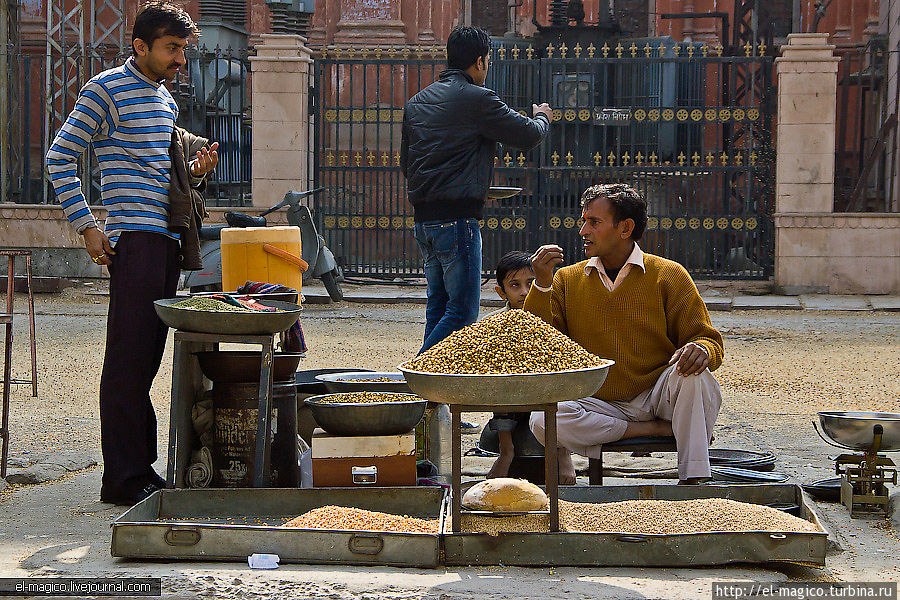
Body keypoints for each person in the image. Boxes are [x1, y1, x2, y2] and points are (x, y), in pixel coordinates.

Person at [46, 1, 218, 505]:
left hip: (164, 240)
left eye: (183, 50)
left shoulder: (163, 98)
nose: (180, 59)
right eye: (171, 49)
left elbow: (158, 173)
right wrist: (87, 226)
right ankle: (122, 479)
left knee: (146, 361)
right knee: (127, 363)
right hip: (134, 242)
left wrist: (196, 170)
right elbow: (61, 156)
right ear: (140, 46)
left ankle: (140, 473)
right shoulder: (106, 90)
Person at [524, 184, 725, 485]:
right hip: (595, 398)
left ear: (625, 228)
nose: (583, 231)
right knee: (542, 421)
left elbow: (707, 339)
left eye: (594, 222)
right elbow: (537, 344)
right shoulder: (567, 279)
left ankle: (694, 478)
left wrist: (702, 349)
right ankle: (655, 430)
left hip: (656, 395)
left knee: (696, 376)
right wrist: (541, 284)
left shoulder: (669, 274)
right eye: (584, 220)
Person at [400, 26, 552, 354]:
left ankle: (435, 398)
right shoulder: (478, 99)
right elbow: (527, 135)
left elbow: (406, 164)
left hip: (424, 221)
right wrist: (542, 117)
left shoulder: (416, 103)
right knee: (462, 312)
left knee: (438, 307)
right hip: (457, 222)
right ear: (480, 61)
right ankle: (418, 379)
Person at [483, 251, 537, 477]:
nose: (524, 292)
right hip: (508, 394)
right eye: (515, 285)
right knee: (498, 381)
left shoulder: (548, 315)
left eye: (531, 283)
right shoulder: (492, 322)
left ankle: (562, 453)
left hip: (543, 389)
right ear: (501, 292)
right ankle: (506, 450)